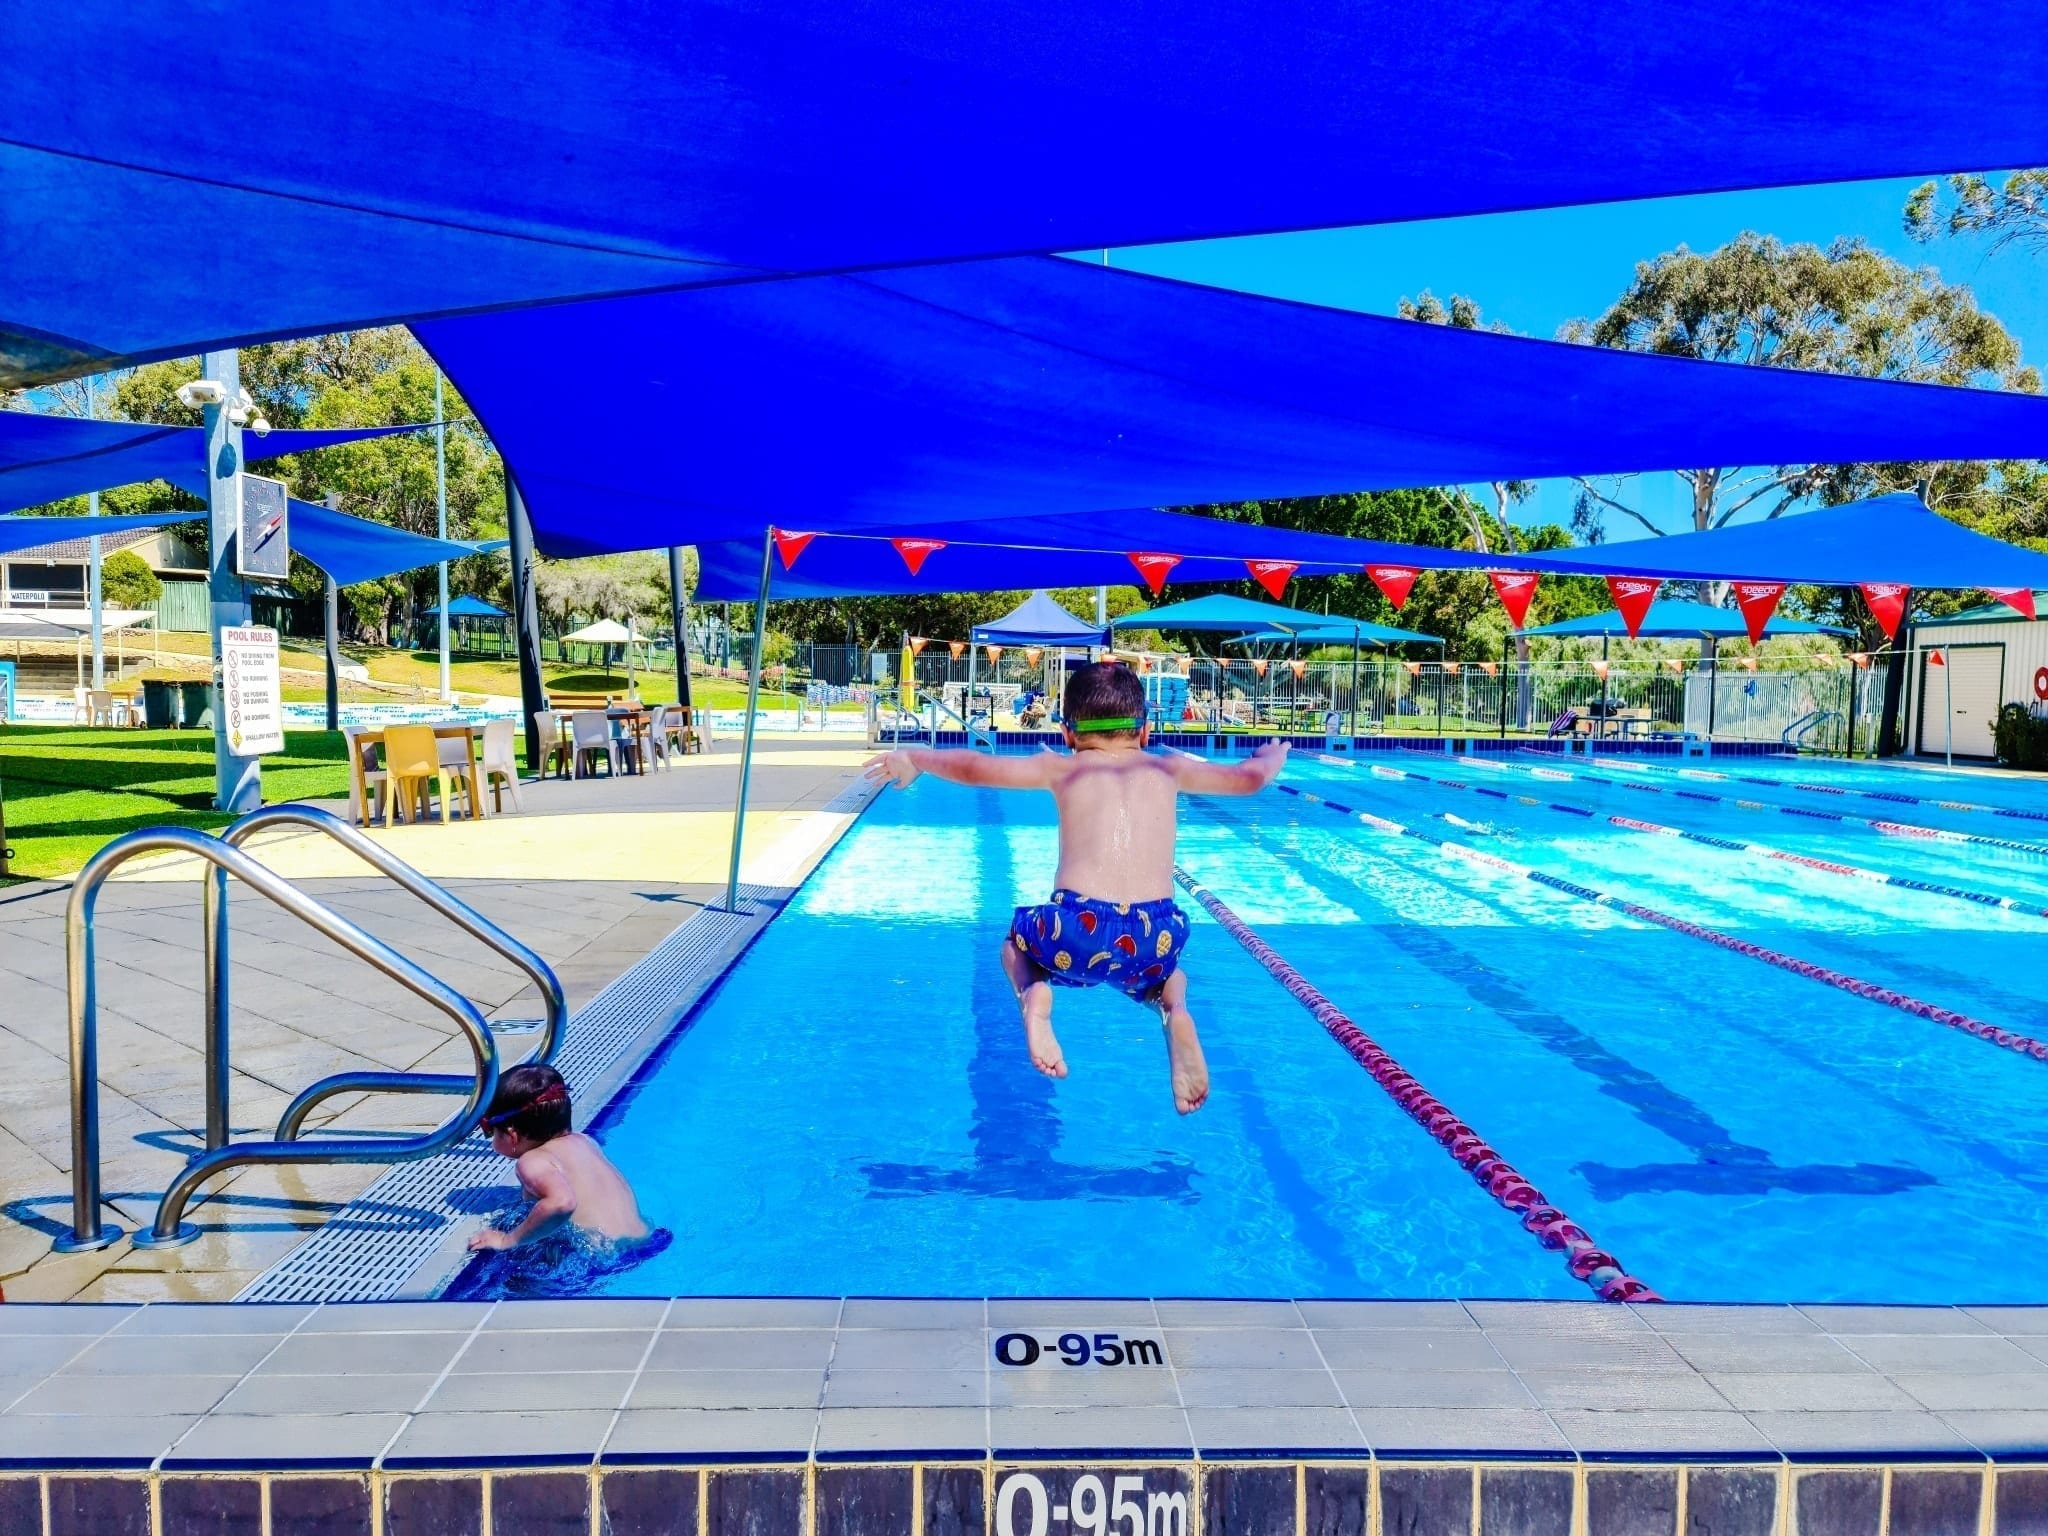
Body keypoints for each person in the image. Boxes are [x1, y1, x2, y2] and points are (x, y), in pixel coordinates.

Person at [865, 661, 1288, 1114]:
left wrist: (915, 759)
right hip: (1153, 935)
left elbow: (974, 767)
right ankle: (1176, 1013)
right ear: (1144, 731)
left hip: (1076, 929)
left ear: (1068, 733)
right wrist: (1268, 759)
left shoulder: (1062, 769)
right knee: (1168, 979)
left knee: (1015, 944)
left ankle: (1034, 996)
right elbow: (1249, 780)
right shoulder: (1170, 769)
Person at [459, 1064, 670, 1296]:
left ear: (512, 1135)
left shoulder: (531, 1162)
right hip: (647, 1240)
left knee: (515, 1285)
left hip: (598, 1259)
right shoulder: (585, 1141)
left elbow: (561, 1203)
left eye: (490, 1131)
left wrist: (508, 1239)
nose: (490, 1139)